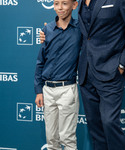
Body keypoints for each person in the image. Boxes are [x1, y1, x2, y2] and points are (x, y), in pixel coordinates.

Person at [40, 0, 125, 149]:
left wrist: (122, 64)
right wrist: (49, 33)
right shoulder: (82, 2)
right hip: (85, 74)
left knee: (109, 123)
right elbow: (84, 32)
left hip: (111, 72)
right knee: (95, 129)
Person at [34, 0, 81, 150]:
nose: (60, 8)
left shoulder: (81, 29)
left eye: (65, 3)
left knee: (67, 138)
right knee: (51, 139)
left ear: (74, 5)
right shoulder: (47, 29)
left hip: (67, 89)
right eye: (56, 3)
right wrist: (39, 90)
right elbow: (40, 61)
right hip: (47, 90)